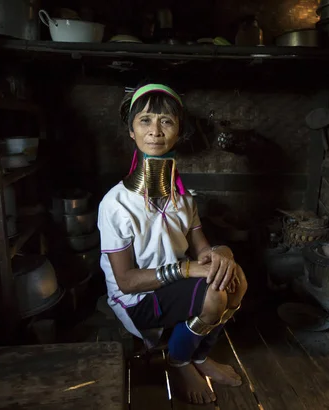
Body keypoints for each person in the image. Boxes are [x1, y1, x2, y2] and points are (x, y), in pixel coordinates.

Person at [98, 83, 248, 405]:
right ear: (131, 131)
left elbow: (202, 248)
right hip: (138, 297)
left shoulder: (183, 198)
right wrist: (188, 268)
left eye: (166, 121)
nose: (155, 131)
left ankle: (199, 356)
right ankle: (178, 363)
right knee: (213, 295)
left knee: (236, 281)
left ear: (179, 131)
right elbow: (125, 281)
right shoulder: (116, 204)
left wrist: (222, 253)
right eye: (145, 121)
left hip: (174, 287)